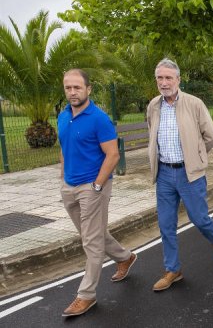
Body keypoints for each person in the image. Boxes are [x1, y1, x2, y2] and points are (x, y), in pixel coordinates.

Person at [58, 69, 137, 317]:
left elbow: (113, 155)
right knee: (94, 234)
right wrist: (62, 178)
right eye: (68, 88)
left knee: (90, 242)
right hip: (69, 186)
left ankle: (86, 295)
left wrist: (97, 186)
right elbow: (64, 148)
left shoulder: (99, 119)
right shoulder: (62, 116)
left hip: (92, 186)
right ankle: (124, 257)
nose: (72, 92)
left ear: (88, 89)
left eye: (77, 88)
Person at [146, 58, 213, 292]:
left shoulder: (194, 104)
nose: (164, 83)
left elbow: (211, 136)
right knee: (165, 224)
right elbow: (152, 132)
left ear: (178, 80)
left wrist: (196, 156)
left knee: (199, 218)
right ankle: (173, 269)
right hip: (163, 173)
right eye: (160, 78)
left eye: (168, 78)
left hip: (189, 173)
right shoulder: (153, 105)